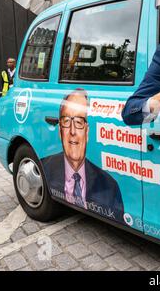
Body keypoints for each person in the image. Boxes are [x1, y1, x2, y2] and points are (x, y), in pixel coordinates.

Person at [41, 89, 124, 222]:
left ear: (87, 132)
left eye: (79, 122)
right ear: (60, 131)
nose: (73, 131)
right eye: (66, 121)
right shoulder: (45, 168)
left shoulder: (109, 186)